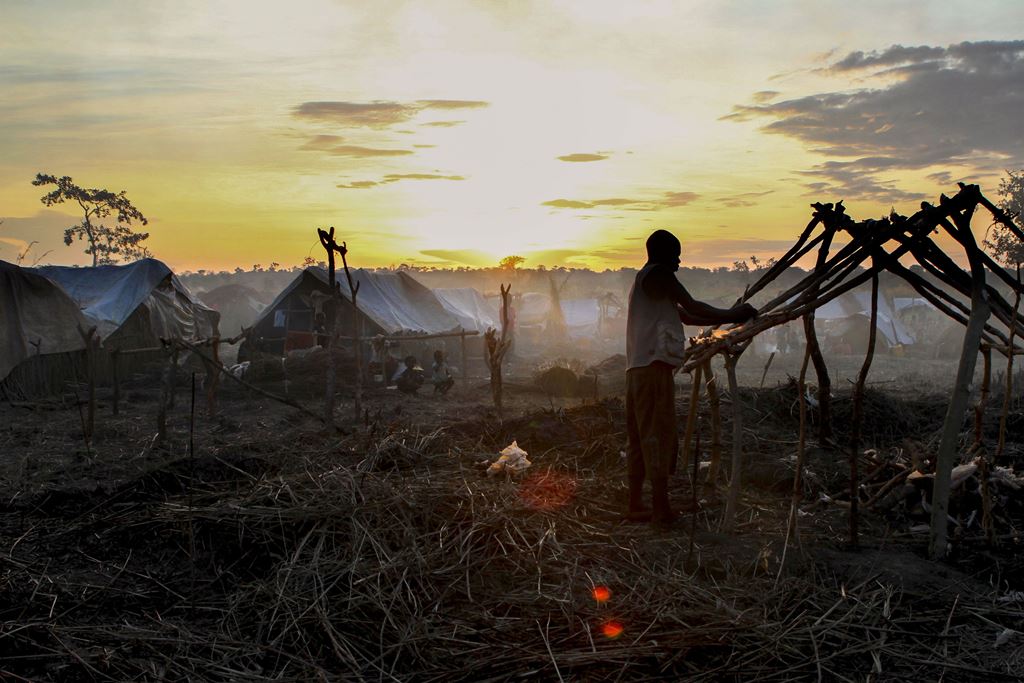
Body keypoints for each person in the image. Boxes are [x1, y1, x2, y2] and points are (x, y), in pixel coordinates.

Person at [625, 229, 757, 527]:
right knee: (657, 434)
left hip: (638, 369)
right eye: (676, 254)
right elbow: (694, 306)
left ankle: (636, 504)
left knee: (639, 436)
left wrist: (729, 316)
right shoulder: (659, 274)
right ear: (661, 254)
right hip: (653, 367)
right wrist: (735, 311)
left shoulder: (646, 282)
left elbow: (689, 316)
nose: (679, 260)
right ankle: (660, 511)